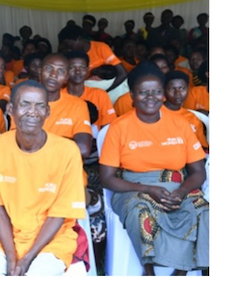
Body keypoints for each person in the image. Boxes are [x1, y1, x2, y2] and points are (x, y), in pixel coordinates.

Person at [99, 63, 208, 275]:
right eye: (143, 92)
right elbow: (107, 178)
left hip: (178, 187)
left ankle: (181, 272)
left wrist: (181, 191)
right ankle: (149, 273)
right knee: (141, 211)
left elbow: (198, 171)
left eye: (157, 91)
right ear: (132, 95)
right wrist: (149, 189)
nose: (151, 97)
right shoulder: (119, 128)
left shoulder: (181, 124)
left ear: (163, 94)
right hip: (133, 189)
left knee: (205, 211)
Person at [0, 80, 89, 276]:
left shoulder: (67, 152)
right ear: (10, 108)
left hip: (53, 239)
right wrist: (11, 258)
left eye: (40, 105)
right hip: (2, 237)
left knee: (38, 276)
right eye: (25, 104)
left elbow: (59, 215)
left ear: (48, 112)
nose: (33, 112)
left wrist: (26, 259)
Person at [63, 51, 117, 127]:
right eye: (72, 67)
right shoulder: (58, 96)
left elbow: (108, 126)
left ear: (88, 70)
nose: (78, 71)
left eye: (82, 67)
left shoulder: (100, 95)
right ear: (65, 71)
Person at [162, 71, 208, 151]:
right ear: (164, 90)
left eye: (182, 88)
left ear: (188, 89)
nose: (178, 93)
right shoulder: (154, 114)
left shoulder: (192, 118)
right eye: (172, 88)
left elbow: (202, 147)